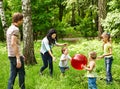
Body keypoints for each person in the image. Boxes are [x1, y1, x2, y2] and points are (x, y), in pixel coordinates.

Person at [6, 12, 25, 89]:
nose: (22, 21)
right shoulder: (15, 29)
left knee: (13, 74)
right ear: (18, 20)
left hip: (11, 55)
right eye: (22, 20)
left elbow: (15, 44)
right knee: (21, 73)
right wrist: (18, 58)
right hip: (15, 56)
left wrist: (21, 55)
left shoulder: (10, 28)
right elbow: (13, 44)